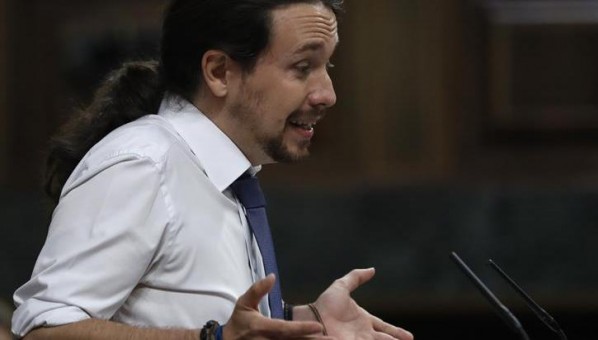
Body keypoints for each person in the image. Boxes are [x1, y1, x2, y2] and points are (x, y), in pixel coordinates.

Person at [11, 0, 414, 339]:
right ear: (219, 72)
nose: (327, 94)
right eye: (303, 67)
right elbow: (43, 328)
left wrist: (300, 321)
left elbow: (200, 311)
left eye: (329, 66)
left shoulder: (227, 175)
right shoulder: (143, 164)